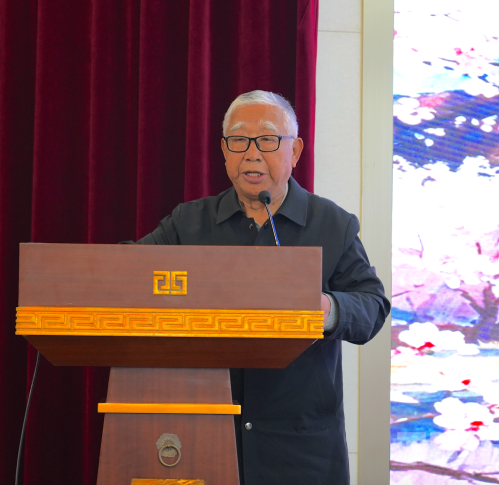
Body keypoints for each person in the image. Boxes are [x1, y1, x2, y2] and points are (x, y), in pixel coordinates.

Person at [132, 90, 390, 484]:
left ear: (295, 150)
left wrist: (326, 308)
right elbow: (130, 270)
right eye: (239, 140)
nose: (252, 154)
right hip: (205, 432)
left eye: (268, 140)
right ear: (224, 151)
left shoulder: (332, 224)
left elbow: (372, 305)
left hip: (300, 447)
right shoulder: (189, 222)